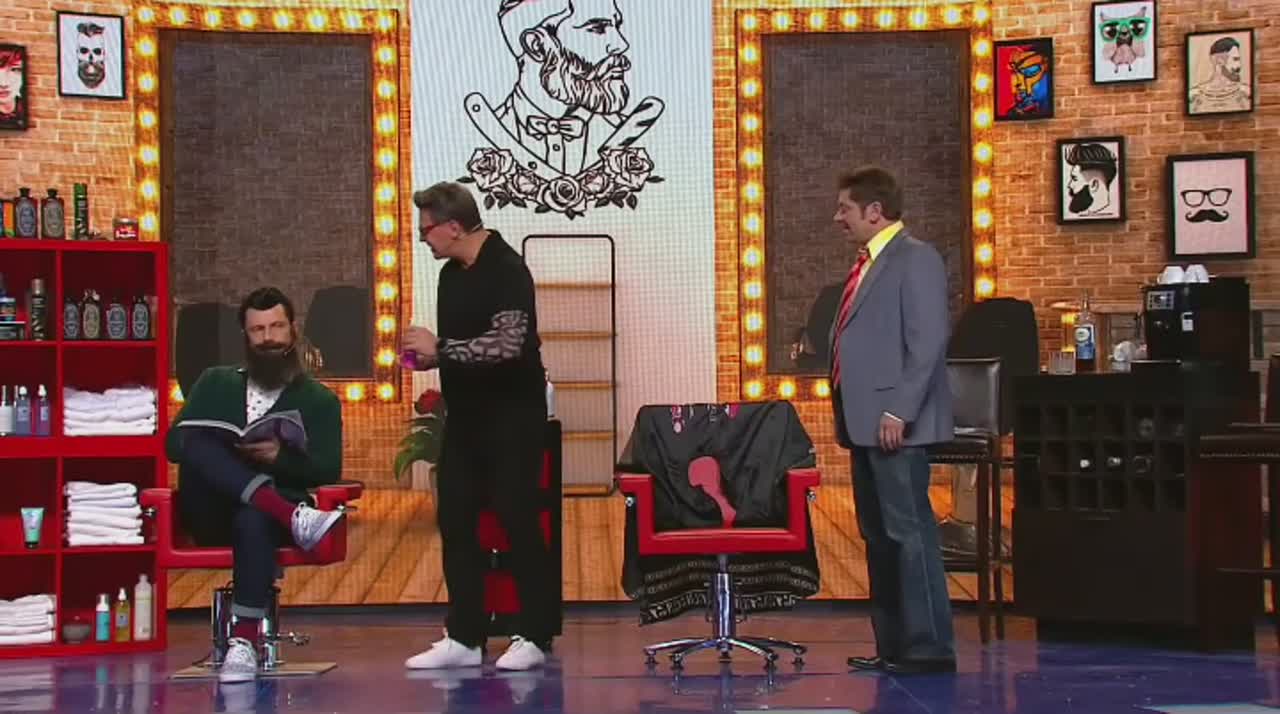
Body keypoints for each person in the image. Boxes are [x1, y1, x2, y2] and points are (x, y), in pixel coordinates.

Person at [401, 181, 554, 672]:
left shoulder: (507, 270)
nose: (422, 238)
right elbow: (458, 350)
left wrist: (441, 349)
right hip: (466, 419)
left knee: (516, 519)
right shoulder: (450, 276)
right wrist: (426, 357)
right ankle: (465, 636)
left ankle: (534, 633)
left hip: (512, 418)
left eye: (427, 229)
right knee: (455, 521)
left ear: (453, 226)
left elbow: (508, 345)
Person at [166, 287, 345, 684]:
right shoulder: (214, 382)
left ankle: (243, 644)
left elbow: (328, 469)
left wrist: (279, 458)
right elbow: (174, 445)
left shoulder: (319, 400)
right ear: (245, 336)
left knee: (253, 516)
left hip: (264, 524)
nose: (269, 338)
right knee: (197, 440)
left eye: (277, 327)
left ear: (293, 329)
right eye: (258, 330)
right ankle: (290, 513)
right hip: (212, 513)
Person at [828, 167, 956, 675]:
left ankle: (928, 648)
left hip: (894, 423)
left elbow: (928, 341)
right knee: (879, 536)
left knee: (908, 534)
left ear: (874, 210)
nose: (838, 218)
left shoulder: (915, 258)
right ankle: (894, 646)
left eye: (845, 208)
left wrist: (899, 409)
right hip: (863, 423)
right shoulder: (867, 263)